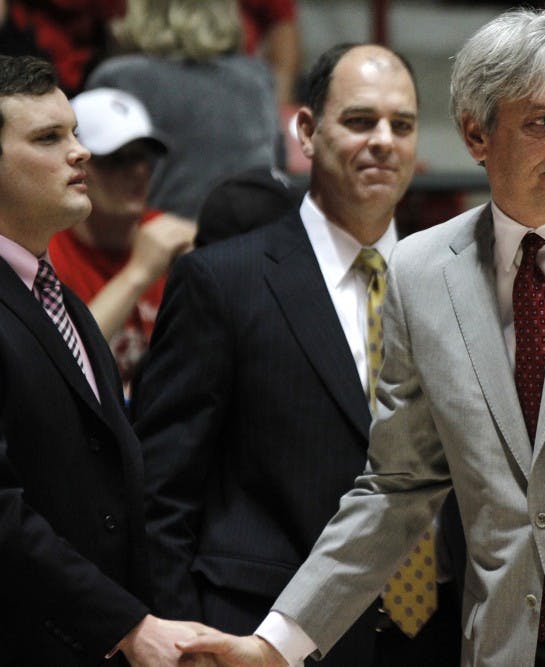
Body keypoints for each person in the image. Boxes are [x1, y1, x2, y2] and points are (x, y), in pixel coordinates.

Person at [180, 8, 545, 667]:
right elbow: (397, 485)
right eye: (542, 123)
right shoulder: (421, 270)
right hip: (502, 648)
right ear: (475, 134)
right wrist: (278, 643)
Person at [130, 43, 463, 666]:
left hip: (439, 635)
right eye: (361, 121)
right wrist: (182, 640)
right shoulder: (223, 280)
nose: (384, 141)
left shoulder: (454, 279)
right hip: (262, 635)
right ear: (306, 131)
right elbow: (160, 495)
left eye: (403, 125)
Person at [0, 54, 210, 667]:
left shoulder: (63, 299)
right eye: (48, 138)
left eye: (75, 132)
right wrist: (127, 623)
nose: (80, 153)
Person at [47, 87, 195, 396]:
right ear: (76, 165)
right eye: (117, 160)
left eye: (145, 158)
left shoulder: (174, 238)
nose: (139, 172)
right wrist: (137, 274)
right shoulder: (46, 249)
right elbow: (58, 368)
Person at [87, 0, 280, 219]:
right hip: (257, 239)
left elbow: (88, 184)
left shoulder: (121, 78)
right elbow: (278, 165)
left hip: (163, 245)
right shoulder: (256, 76)